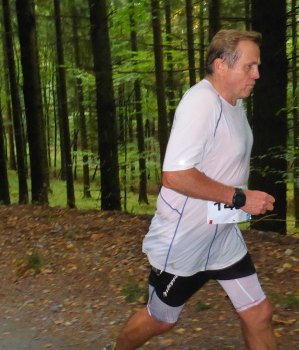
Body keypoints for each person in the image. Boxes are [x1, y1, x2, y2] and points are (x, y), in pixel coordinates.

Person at [109, 30, 278, 350]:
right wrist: (240, 198)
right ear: (221, 65)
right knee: (161, 319)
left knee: (259, 314)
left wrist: (239, 199)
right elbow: (175, 176)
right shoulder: (201, 103)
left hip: (222, 235)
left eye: (257, 66)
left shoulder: (234, 103)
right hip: (185, 239)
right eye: (249, 66)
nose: (257, 74)